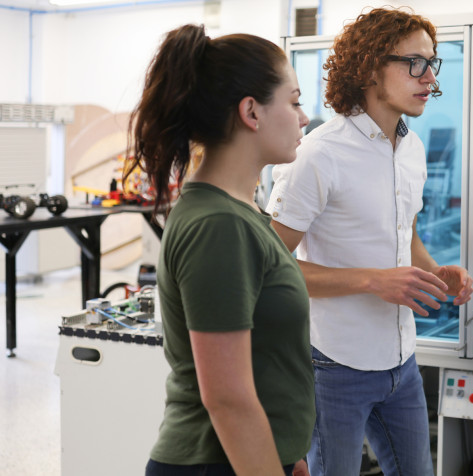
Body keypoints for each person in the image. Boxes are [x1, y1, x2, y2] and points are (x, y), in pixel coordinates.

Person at [265, 7, 473, 476]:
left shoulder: (412, 148)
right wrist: (372, 281)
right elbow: (270, 267)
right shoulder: (318, 154)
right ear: (370, 68)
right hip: (333, 363)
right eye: (415, 63)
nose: (429, 77)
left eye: (432, 63)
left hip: (402, 361)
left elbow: (406, 233)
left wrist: (437, 270)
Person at [127, 24, 313, 476]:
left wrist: (288, 454)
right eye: (293, 101)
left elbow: (264, 360)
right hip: (215, 462)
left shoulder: (239, 211)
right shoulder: (219, 225)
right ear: (251, 111)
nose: (304, 117)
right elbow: (227, 398)